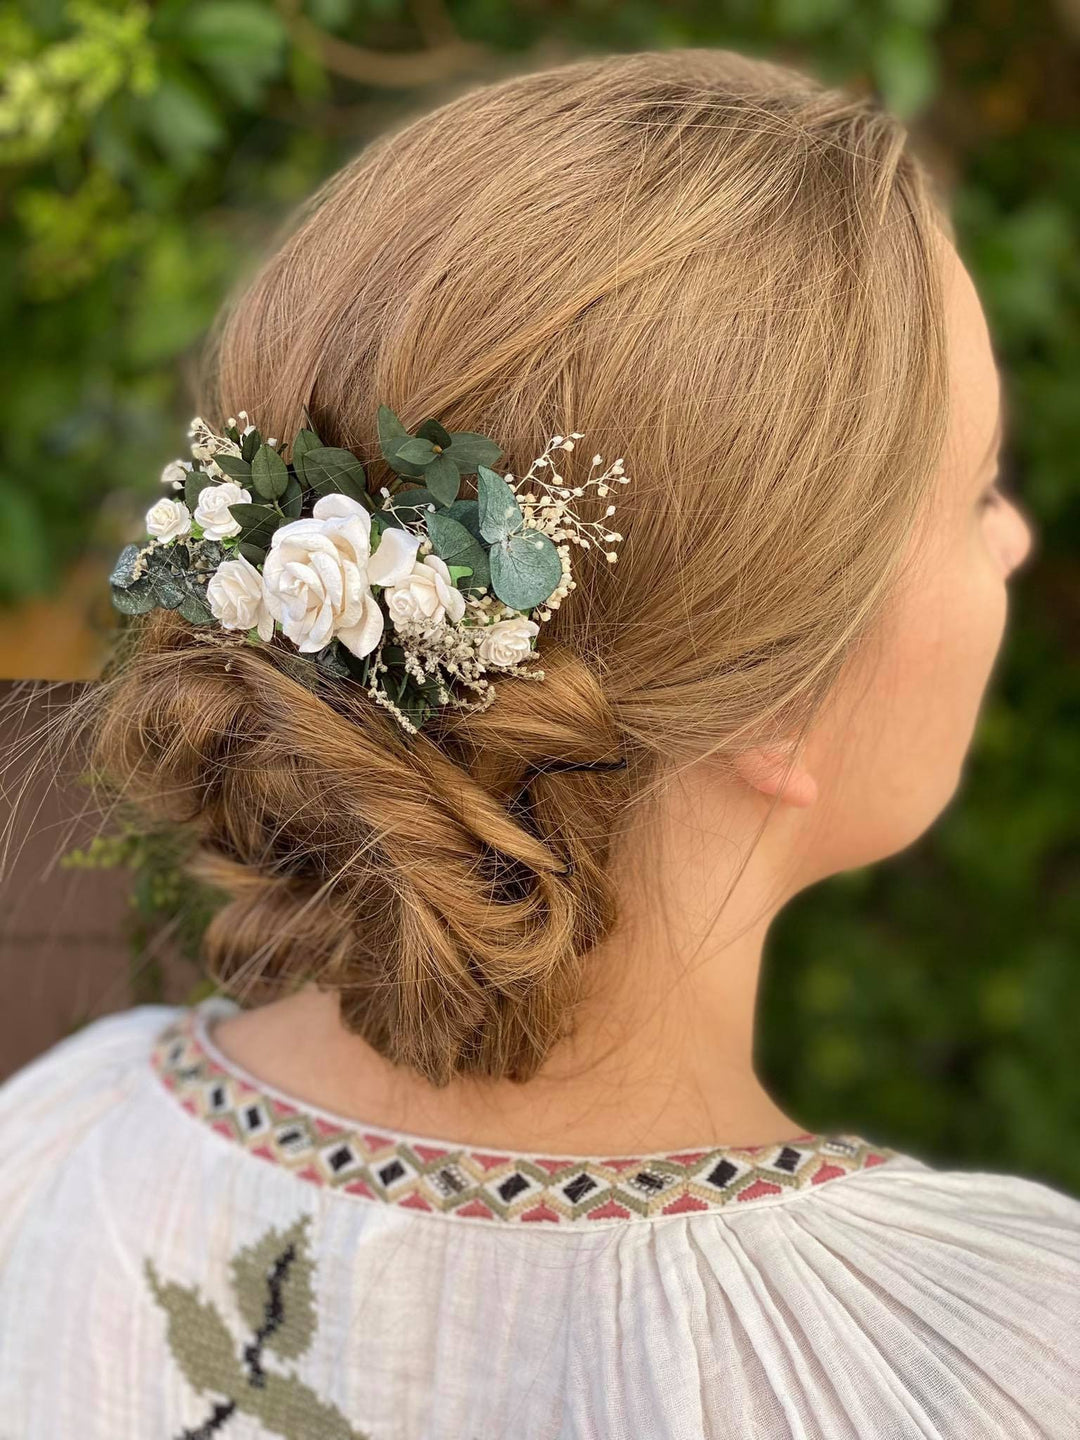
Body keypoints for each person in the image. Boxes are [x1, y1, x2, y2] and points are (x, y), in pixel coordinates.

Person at [0, 45, 1076, 1440]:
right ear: (779, 704)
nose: (1016, 538)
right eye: (978, 487)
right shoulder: (987, 1364)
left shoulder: (50, 1154)